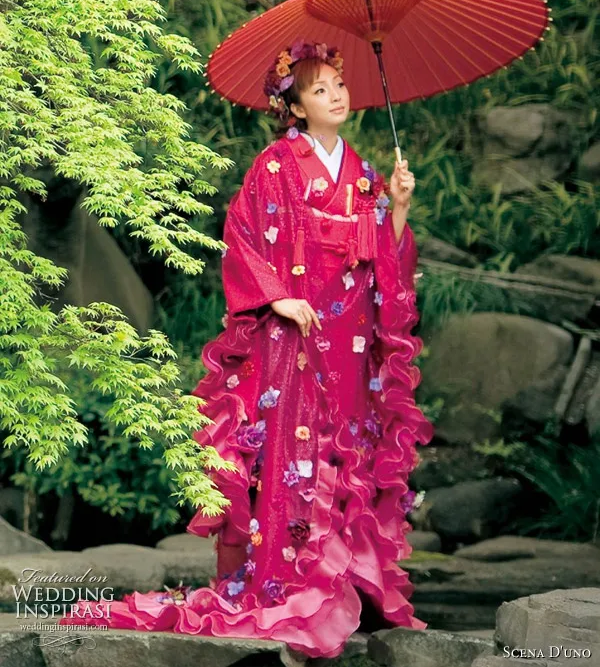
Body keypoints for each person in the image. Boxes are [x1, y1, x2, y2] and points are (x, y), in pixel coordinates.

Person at [58, 40, 434, 662]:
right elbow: (242, 237)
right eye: (319, 89)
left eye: (338, 84)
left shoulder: (364, 170)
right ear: (294, 105)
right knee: (292, 450)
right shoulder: (277, 166)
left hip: (349, 338)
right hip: (294, 336)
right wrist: (278, 298)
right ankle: (287, 584)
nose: (336, 95)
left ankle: (344, 586)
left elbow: (385, 262)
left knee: (352, 444)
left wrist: (396, 207)